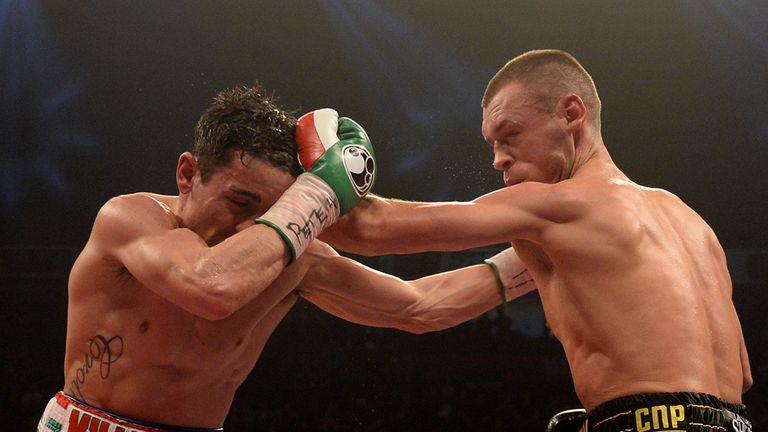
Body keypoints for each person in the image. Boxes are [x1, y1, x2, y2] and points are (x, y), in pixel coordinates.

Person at [36, 85, 536, 431]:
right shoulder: (131, 219)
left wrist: (539, 257)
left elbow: (418, 306)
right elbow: (209, 288)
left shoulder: (292, 256)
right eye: (239, 201)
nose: (247, 229)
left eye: (272, 211)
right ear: (188, 174)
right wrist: (320, 194)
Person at [320, 49, 753, 431]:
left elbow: (369, 228)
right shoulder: (690, 223)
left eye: (509, 136)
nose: (498, 159)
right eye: (492, 145)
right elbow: (741, 376)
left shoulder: (556, 206)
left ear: (570, 114)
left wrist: (309, 176)